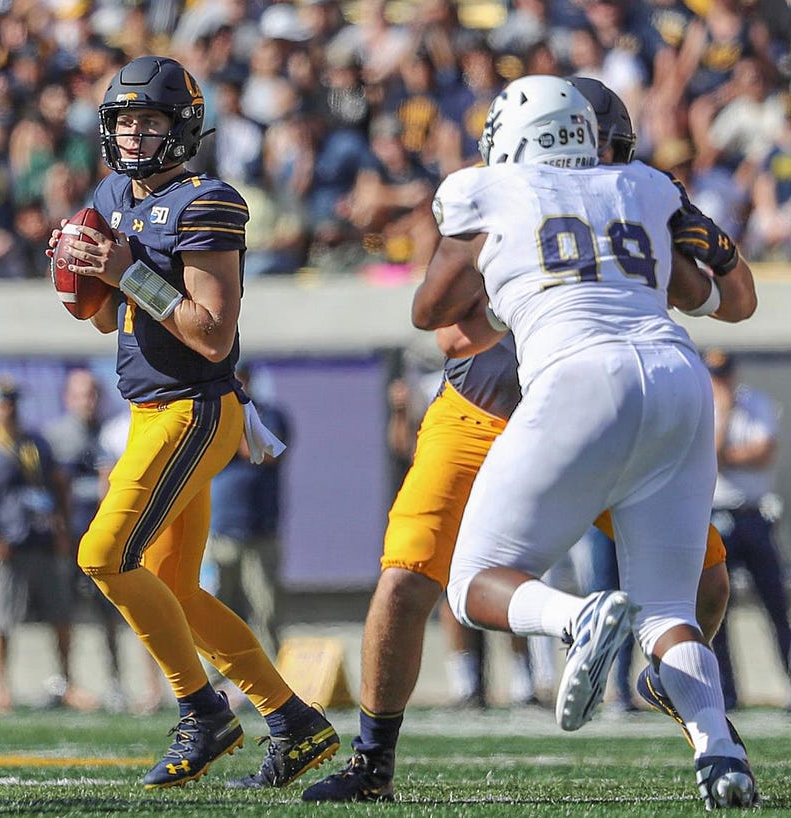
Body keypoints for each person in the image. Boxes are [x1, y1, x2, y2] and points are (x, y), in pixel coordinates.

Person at [304, 75, 753, 805]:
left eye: (613, 149)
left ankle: (666, 694)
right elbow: (449, 328)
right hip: (496, 406)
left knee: (700, 582)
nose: (602, 162)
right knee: (409, 572)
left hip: (575, 398)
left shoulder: (574, 194)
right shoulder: (628, 191)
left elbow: (728, 298)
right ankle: (372, 759)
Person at [48, 55, 339, 791]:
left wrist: (124, 272)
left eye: (148, 121)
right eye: (124, 121)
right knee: (174, 589)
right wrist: (83, 279)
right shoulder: (113, 193)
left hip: (195, 409)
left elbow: (210, 333)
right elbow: (111, 314)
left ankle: (202, 712)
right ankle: (294, 721)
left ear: (182, 127)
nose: (134, 135)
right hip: (147, 409)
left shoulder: (207, 203)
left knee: (104, 556)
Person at [0, 377, 81, 713]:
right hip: (5, 546)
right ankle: (1, 688)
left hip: (41, 540)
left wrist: (62, 529)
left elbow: (57, 485)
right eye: (3, 402)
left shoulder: (34, 442)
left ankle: (66, 682)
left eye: (13, 401)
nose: (10, 409)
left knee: (60, 615)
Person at [704, 348, 791, 710]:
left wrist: (727, 455)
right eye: (714, 373)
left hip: (753, 514)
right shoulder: (703, 408)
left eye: (724, 372)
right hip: (714, 515)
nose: (720, 379)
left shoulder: (757, 402)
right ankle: (727, 693)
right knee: (716, 608)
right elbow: (711, 458)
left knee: (775, 603)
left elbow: (764, 452)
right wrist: (723, 414)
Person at [43, 368, 132, 712]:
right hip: (69, 538)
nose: (87, 401)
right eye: (80, 394)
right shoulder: (54, 438)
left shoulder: (111, 433)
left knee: (109, 613)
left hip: (104, 538)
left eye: (93, 393)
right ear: (67, 398)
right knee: (63, 612)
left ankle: (114, 682)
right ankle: (64, 680)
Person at [203, 362, 289, 658]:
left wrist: (237, 424)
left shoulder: (270, 415)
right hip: (220, 529)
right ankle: (217, 677)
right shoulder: (211, 413)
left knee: (265, 608)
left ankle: (275, 677)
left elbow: (264, 452)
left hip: (260, 530)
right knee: (216, 606)